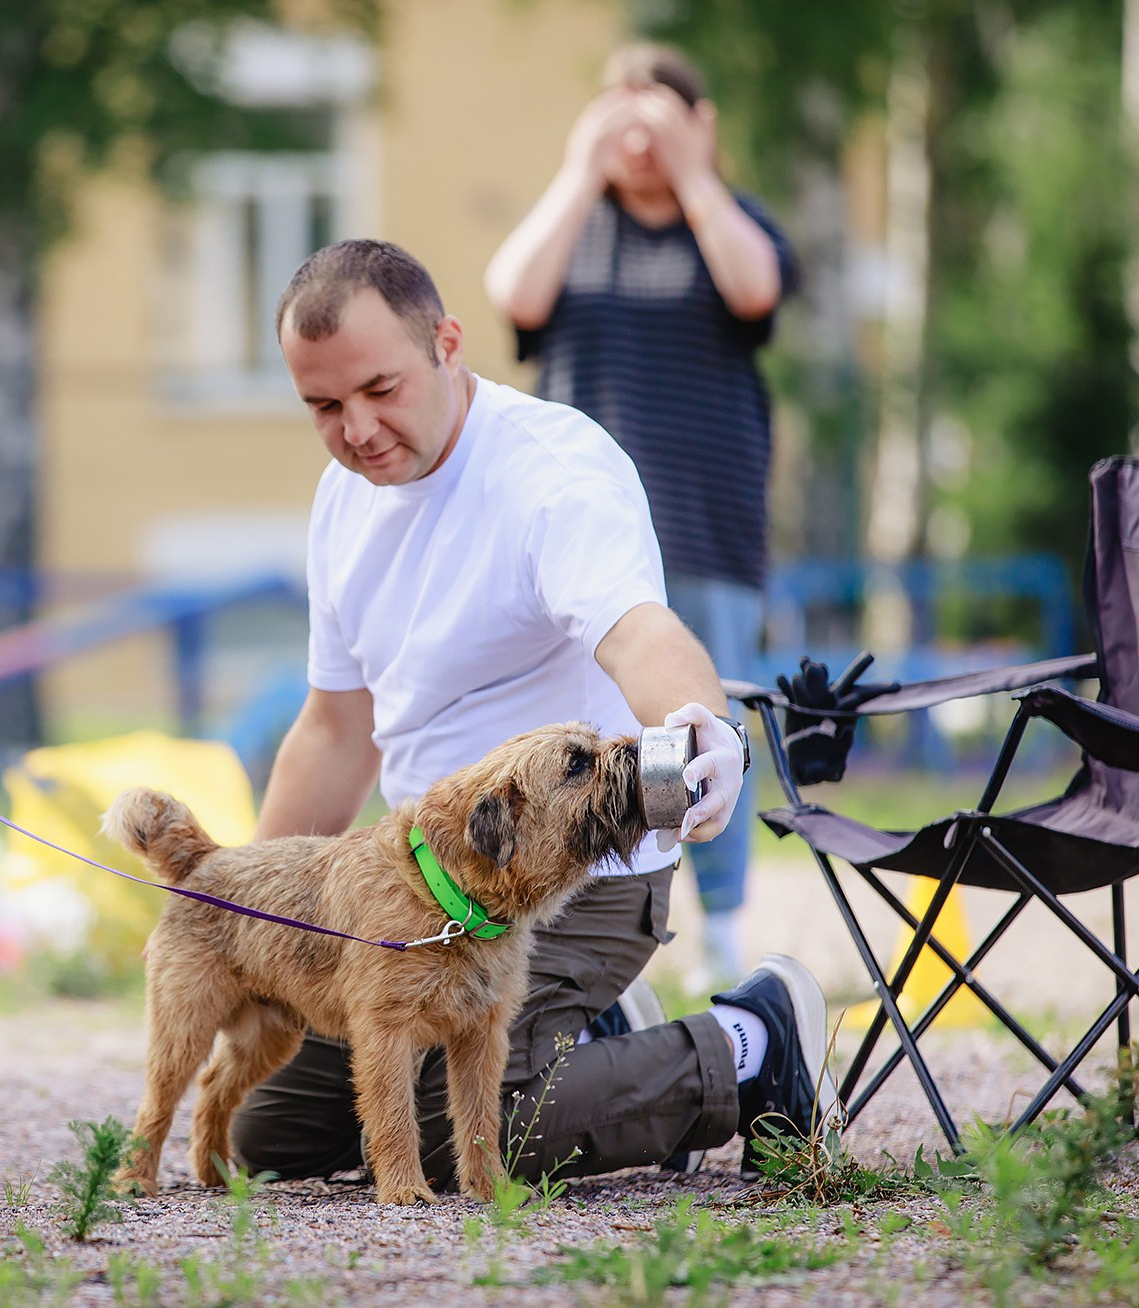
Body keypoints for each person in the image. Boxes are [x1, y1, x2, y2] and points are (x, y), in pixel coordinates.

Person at [231, 239, 839, 1189]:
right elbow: (334, 729)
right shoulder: (340, 500)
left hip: (573, 878)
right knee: (270, 1129)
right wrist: (240, 912)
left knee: (452, 1134)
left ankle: (750, 1044)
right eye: (324, 407)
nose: (357, 429)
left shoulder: (553, 469)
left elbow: (639, 632)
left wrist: (700, 725)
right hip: (420, 880)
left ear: (448, 343)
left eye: (380, 388)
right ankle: (594, 1041)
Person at [484, 44, 796, 987]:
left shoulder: (731, 224)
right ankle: (591, 936)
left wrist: (696, 173)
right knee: (585, 732)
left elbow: (758, 289)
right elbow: (513, 294)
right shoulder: (576, 224)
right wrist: (582, 171)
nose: (636, 138)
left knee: (709, 714)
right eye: (617, 116)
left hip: (704, 513)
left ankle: (727, 933)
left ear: (700, 125)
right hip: (578, 530)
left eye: (656, 117)